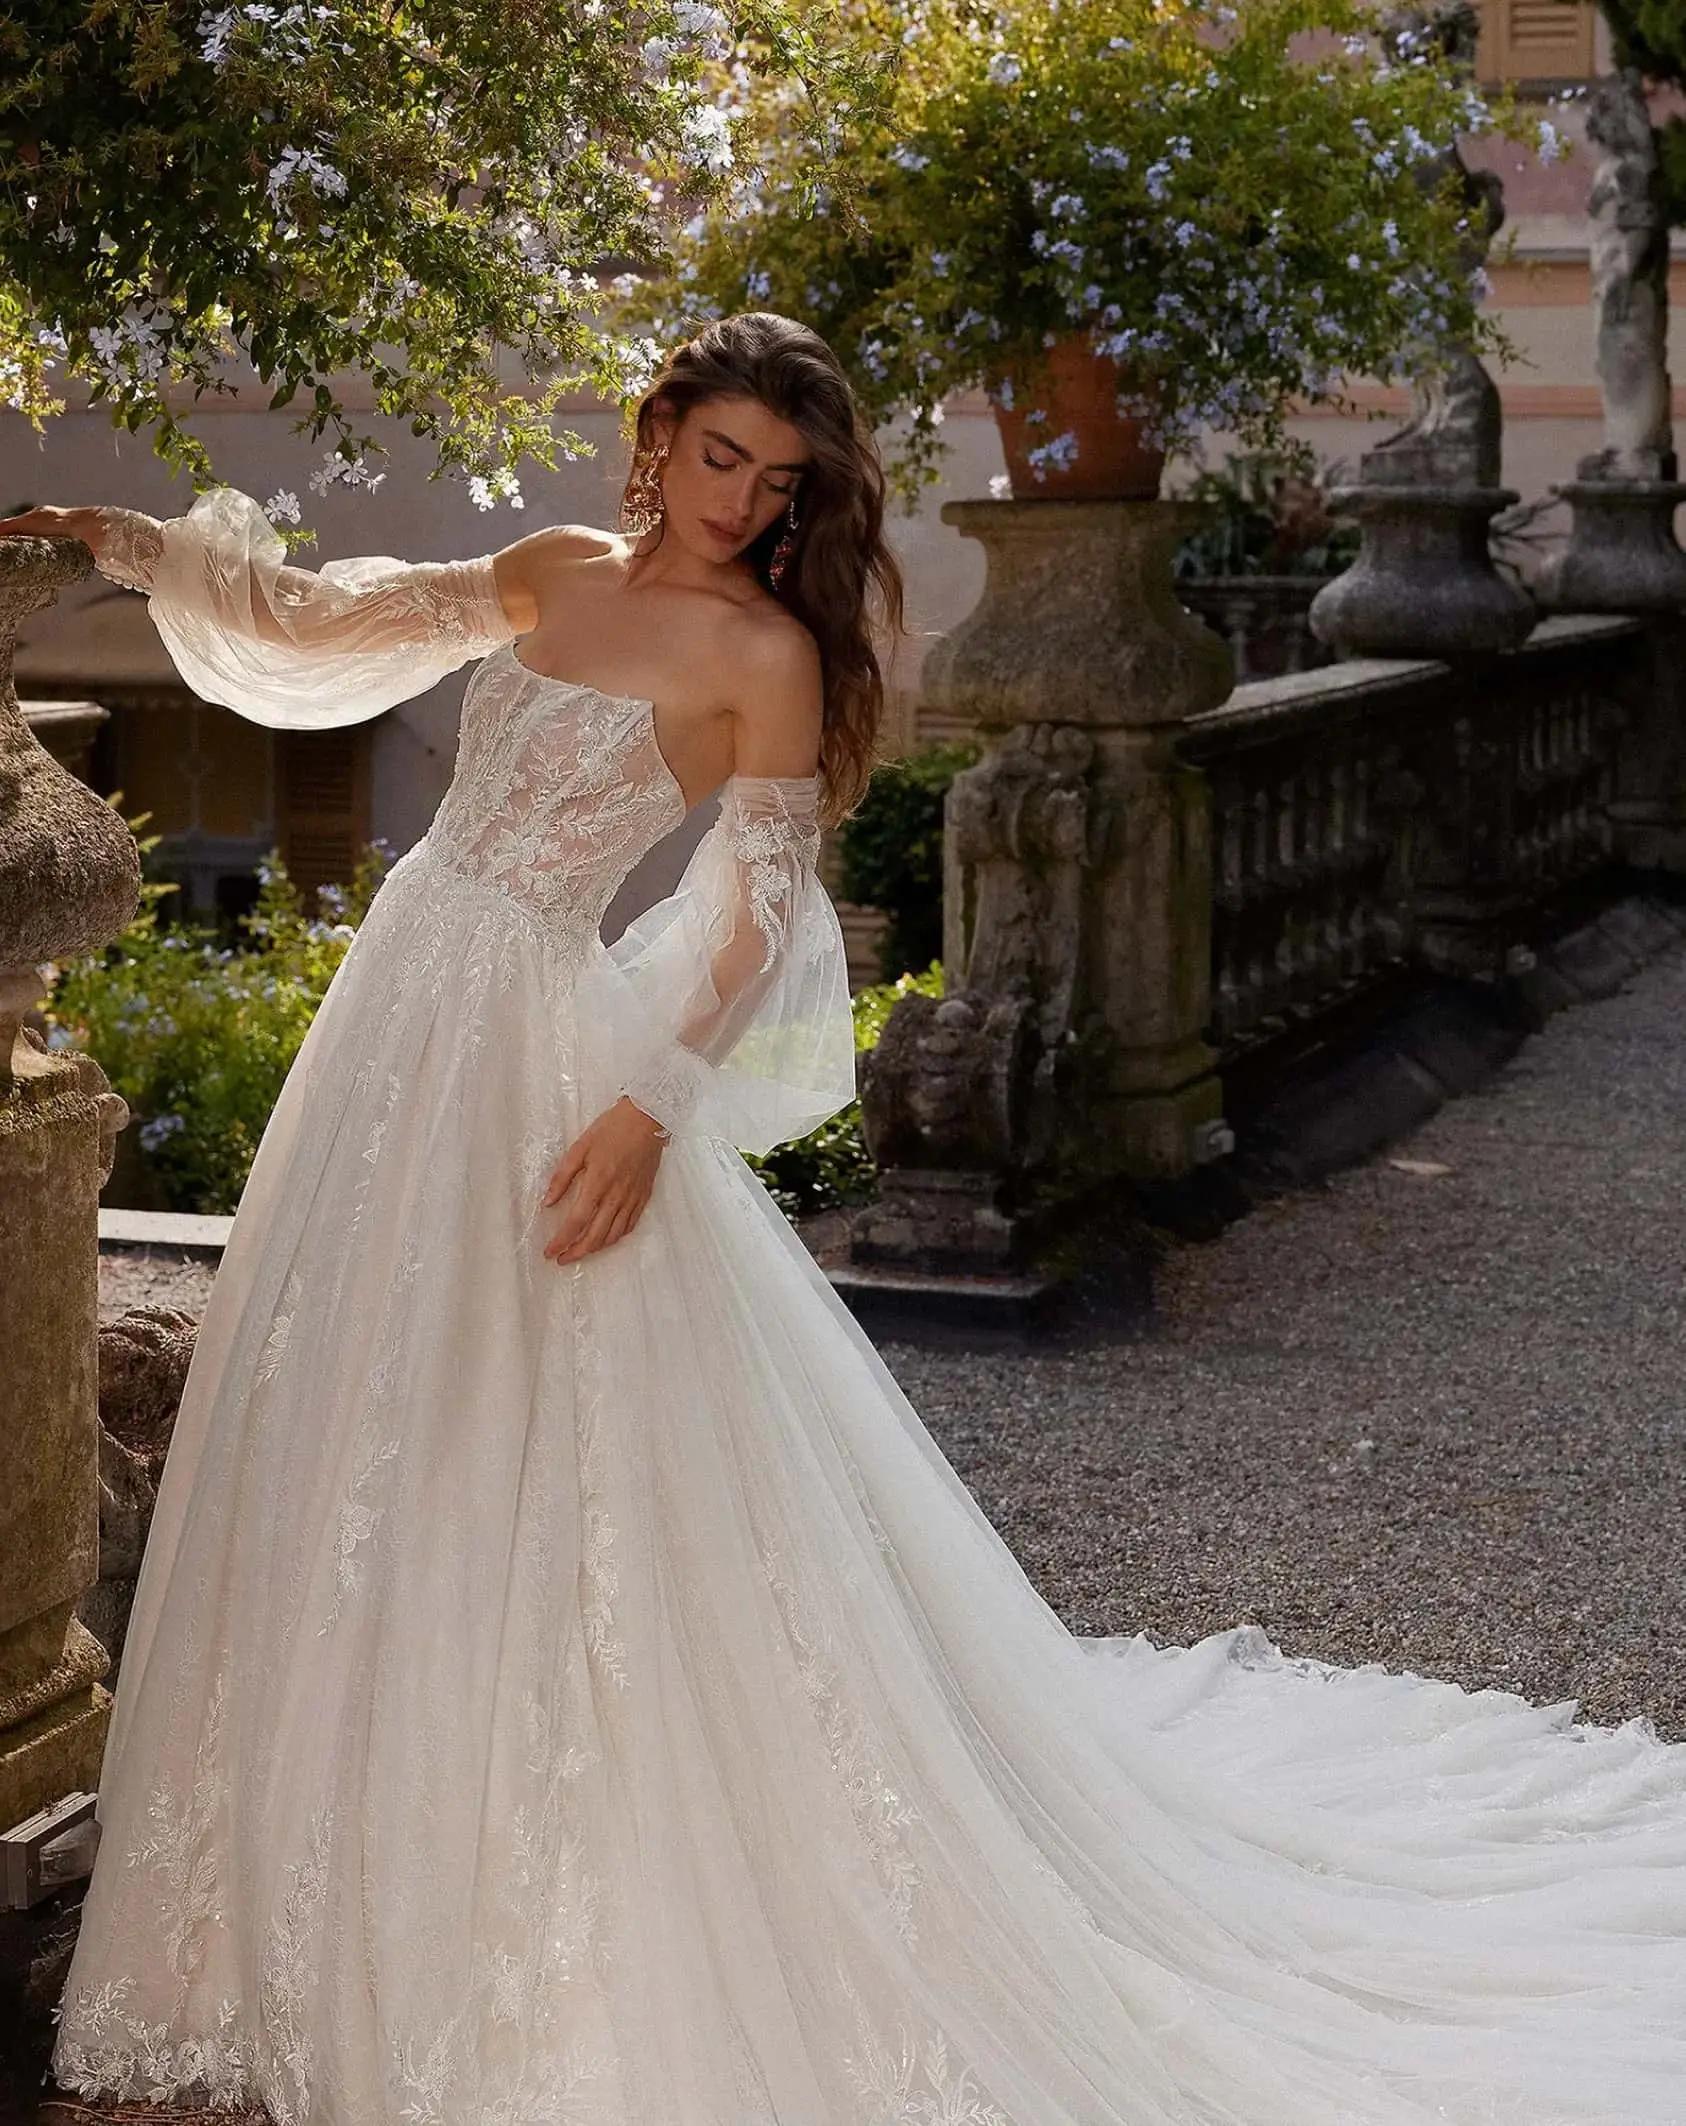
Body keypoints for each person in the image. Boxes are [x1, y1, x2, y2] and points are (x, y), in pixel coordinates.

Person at [10, 311, 1684, 2126]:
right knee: (343, 1415)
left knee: (540, 1442)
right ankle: (276, 1908)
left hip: (542, 1050)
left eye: (778, 481)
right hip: (399, 1016)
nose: (741, 502)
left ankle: (511, 1904)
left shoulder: (765, 653)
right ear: (655, 436)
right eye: (719, 457)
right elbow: (338, 622)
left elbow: (753, 917)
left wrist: (653, 1107)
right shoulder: (554, 565)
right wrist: (143, 547)